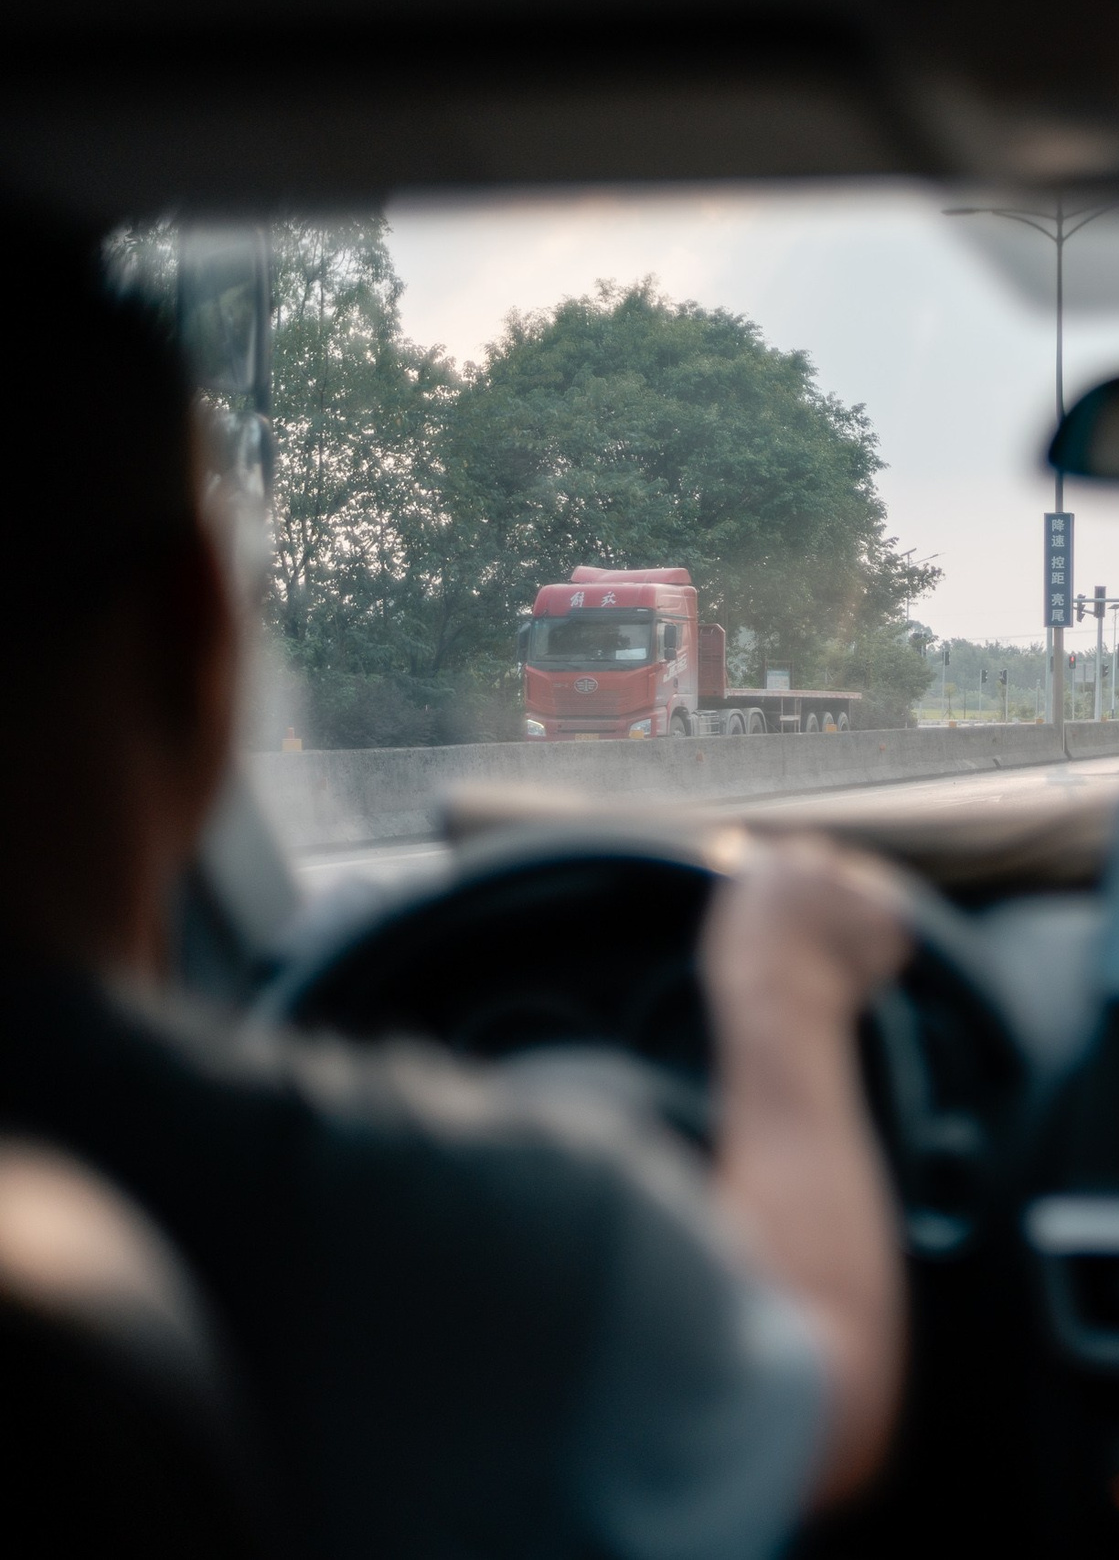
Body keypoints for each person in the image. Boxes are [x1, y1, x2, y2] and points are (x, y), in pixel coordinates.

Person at [0, 212, 912, 1558]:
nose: (593, 660)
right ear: (199, 634)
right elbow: (823, 1399)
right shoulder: (500, 1248)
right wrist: (782, 994)